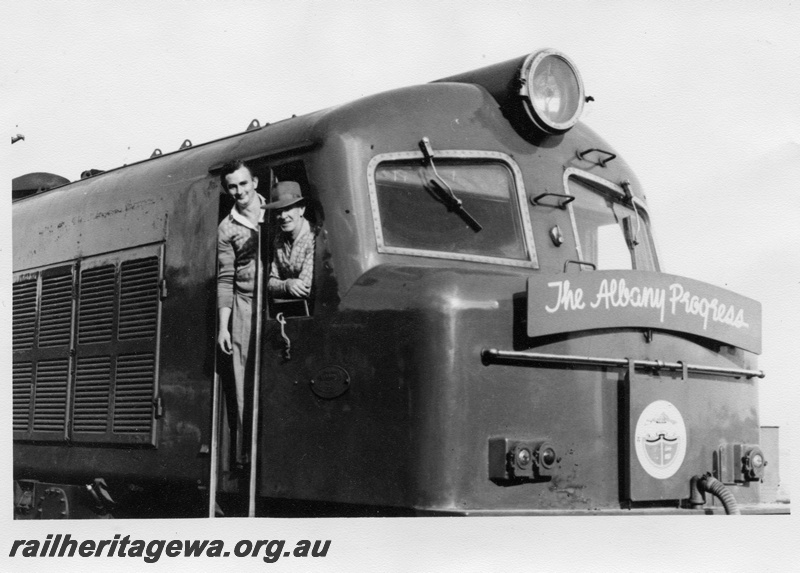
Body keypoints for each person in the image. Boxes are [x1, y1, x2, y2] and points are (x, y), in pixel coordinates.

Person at [216, 159, 265, 469]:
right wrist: (224, 327)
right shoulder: (226, 228)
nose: (239, 191)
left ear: (255, 183)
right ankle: (249, 455)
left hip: (275, 297)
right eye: (232, 186)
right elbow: (225, 278)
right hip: (245, 304)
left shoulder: (275, 208)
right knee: (243, 376)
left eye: (243, 184)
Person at [265, 181, 315, 299]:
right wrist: (287, 285)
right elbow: (271, 284)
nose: (282, 216)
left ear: (301, 209)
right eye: (278, 211)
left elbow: (305, 289)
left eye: (287, 209)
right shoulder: (278, 239)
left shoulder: (314, 237)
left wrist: (281, 285)